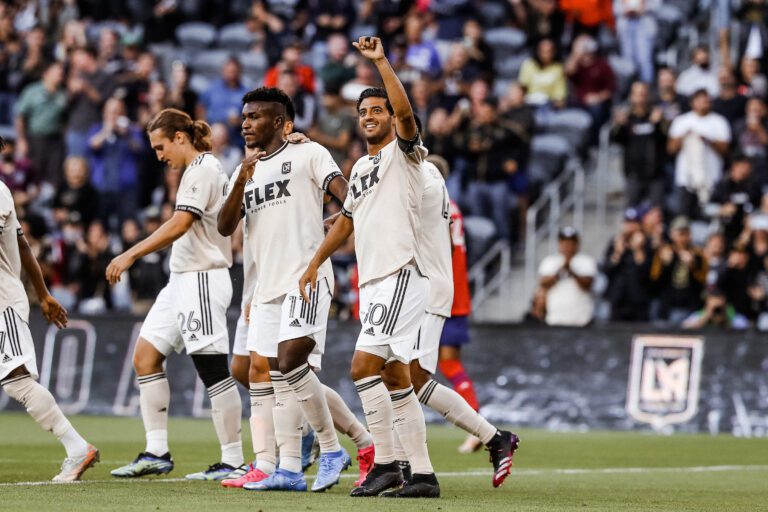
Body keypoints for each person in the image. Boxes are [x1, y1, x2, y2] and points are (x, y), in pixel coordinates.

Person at [300, 36, 441, 499]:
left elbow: (404, 114)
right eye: (363, 113)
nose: (369, 117)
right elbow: (347, 221)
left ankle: (383, 464)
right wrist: (314, 262)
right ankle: (420, 475)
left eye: (376, 110)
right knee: (395, 376)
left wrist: (381, 62)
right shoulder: (360, 167)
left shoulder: (407, 154)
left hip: (402, 272)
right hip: (376, 278)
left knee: (363, 367)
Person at [217, 87, 350, 493]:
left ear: (280, 122)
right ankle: (289, 468)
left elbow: (348, 197)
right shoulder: (247, 170)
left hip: (306, 278)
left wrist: (327, 236)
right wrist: (240, 178)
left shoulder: (309, 153)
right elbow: (225, 226)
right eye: (243, 116)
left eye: (255, 116)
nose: (245, 123)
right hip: (266, 287)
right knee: (274, 377)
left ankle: (332, 448)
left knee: (292, 360)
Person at [106, 109, 244, 481]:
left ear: (180, 137)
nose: (159, 154)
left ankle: (233, 460)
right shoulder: (194, 170)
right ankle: (156, 452)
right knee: (145, 357)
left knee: (213, 370)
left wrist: (131, 252)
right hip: (181, 280)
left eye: (160, 146)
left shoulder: (203, 169)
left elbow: (181, 223)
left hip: (202, 278)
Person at [403, 155, 518, 487]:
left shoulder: (434, 204)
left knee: (428, 371)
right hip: (444, 291)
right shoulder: (451, 206)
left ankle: (481, 433)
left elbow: (444, 252)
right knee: (412, 372)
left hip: (437, 293)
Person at [0, 136, 99, 482]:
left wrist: (41, 295)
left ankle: (76, 447)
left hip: (2, 302)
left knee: (17, 380)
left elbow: (22, 247)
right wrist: (43, 295)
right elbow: (23, 244)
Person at [667, 89, 731, 218]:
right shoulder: (682, 121)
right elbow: (670, 149)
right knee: (684, 216)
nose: (704, 104)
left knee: (709, 215)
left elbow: (725, 150)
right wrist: (685, 136)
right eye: (700, 100)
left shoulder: (719, 121)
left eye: (706, 101)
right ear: (692, 103)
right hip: (686, 178)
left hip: (712, 178)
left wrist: (707, 140)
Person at [611, 82, 667, 208]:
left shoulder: (656, 117)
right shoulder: (627, 119)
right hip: (633, 176)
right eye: (638, 94)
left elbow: (664, 140)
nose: (641, 98)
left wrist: (657, 124)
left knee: (655, 218)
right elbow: (616, 140)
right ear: (632, 97)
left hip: (655, 177)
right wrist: (620, 125)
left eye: (643, 94)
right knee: (631, 216)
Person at [650, 216, 708, 323]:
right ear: (673, 235)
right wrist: (665, 264)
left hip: (690, 305)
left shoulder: (698, 254)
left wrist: (693, 265)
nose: (684, 237)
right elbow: (654, 280)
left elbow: (703, 279)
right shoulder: (665, 252)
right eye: (681, 234)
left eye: (686, 233)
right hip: (667, 306)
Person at [536, 227, 597, 326]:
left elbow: (587, 285)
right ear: (559, 244)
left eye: (571, 243)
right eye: (564, 242)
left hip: (581, 319)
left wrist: (572, 271)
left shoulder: (586, 261)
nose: (568, 246)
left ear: (577, 244)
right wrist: (560, 272)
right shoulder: (550, 261)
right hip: (555, 318)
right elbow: (543, 283)